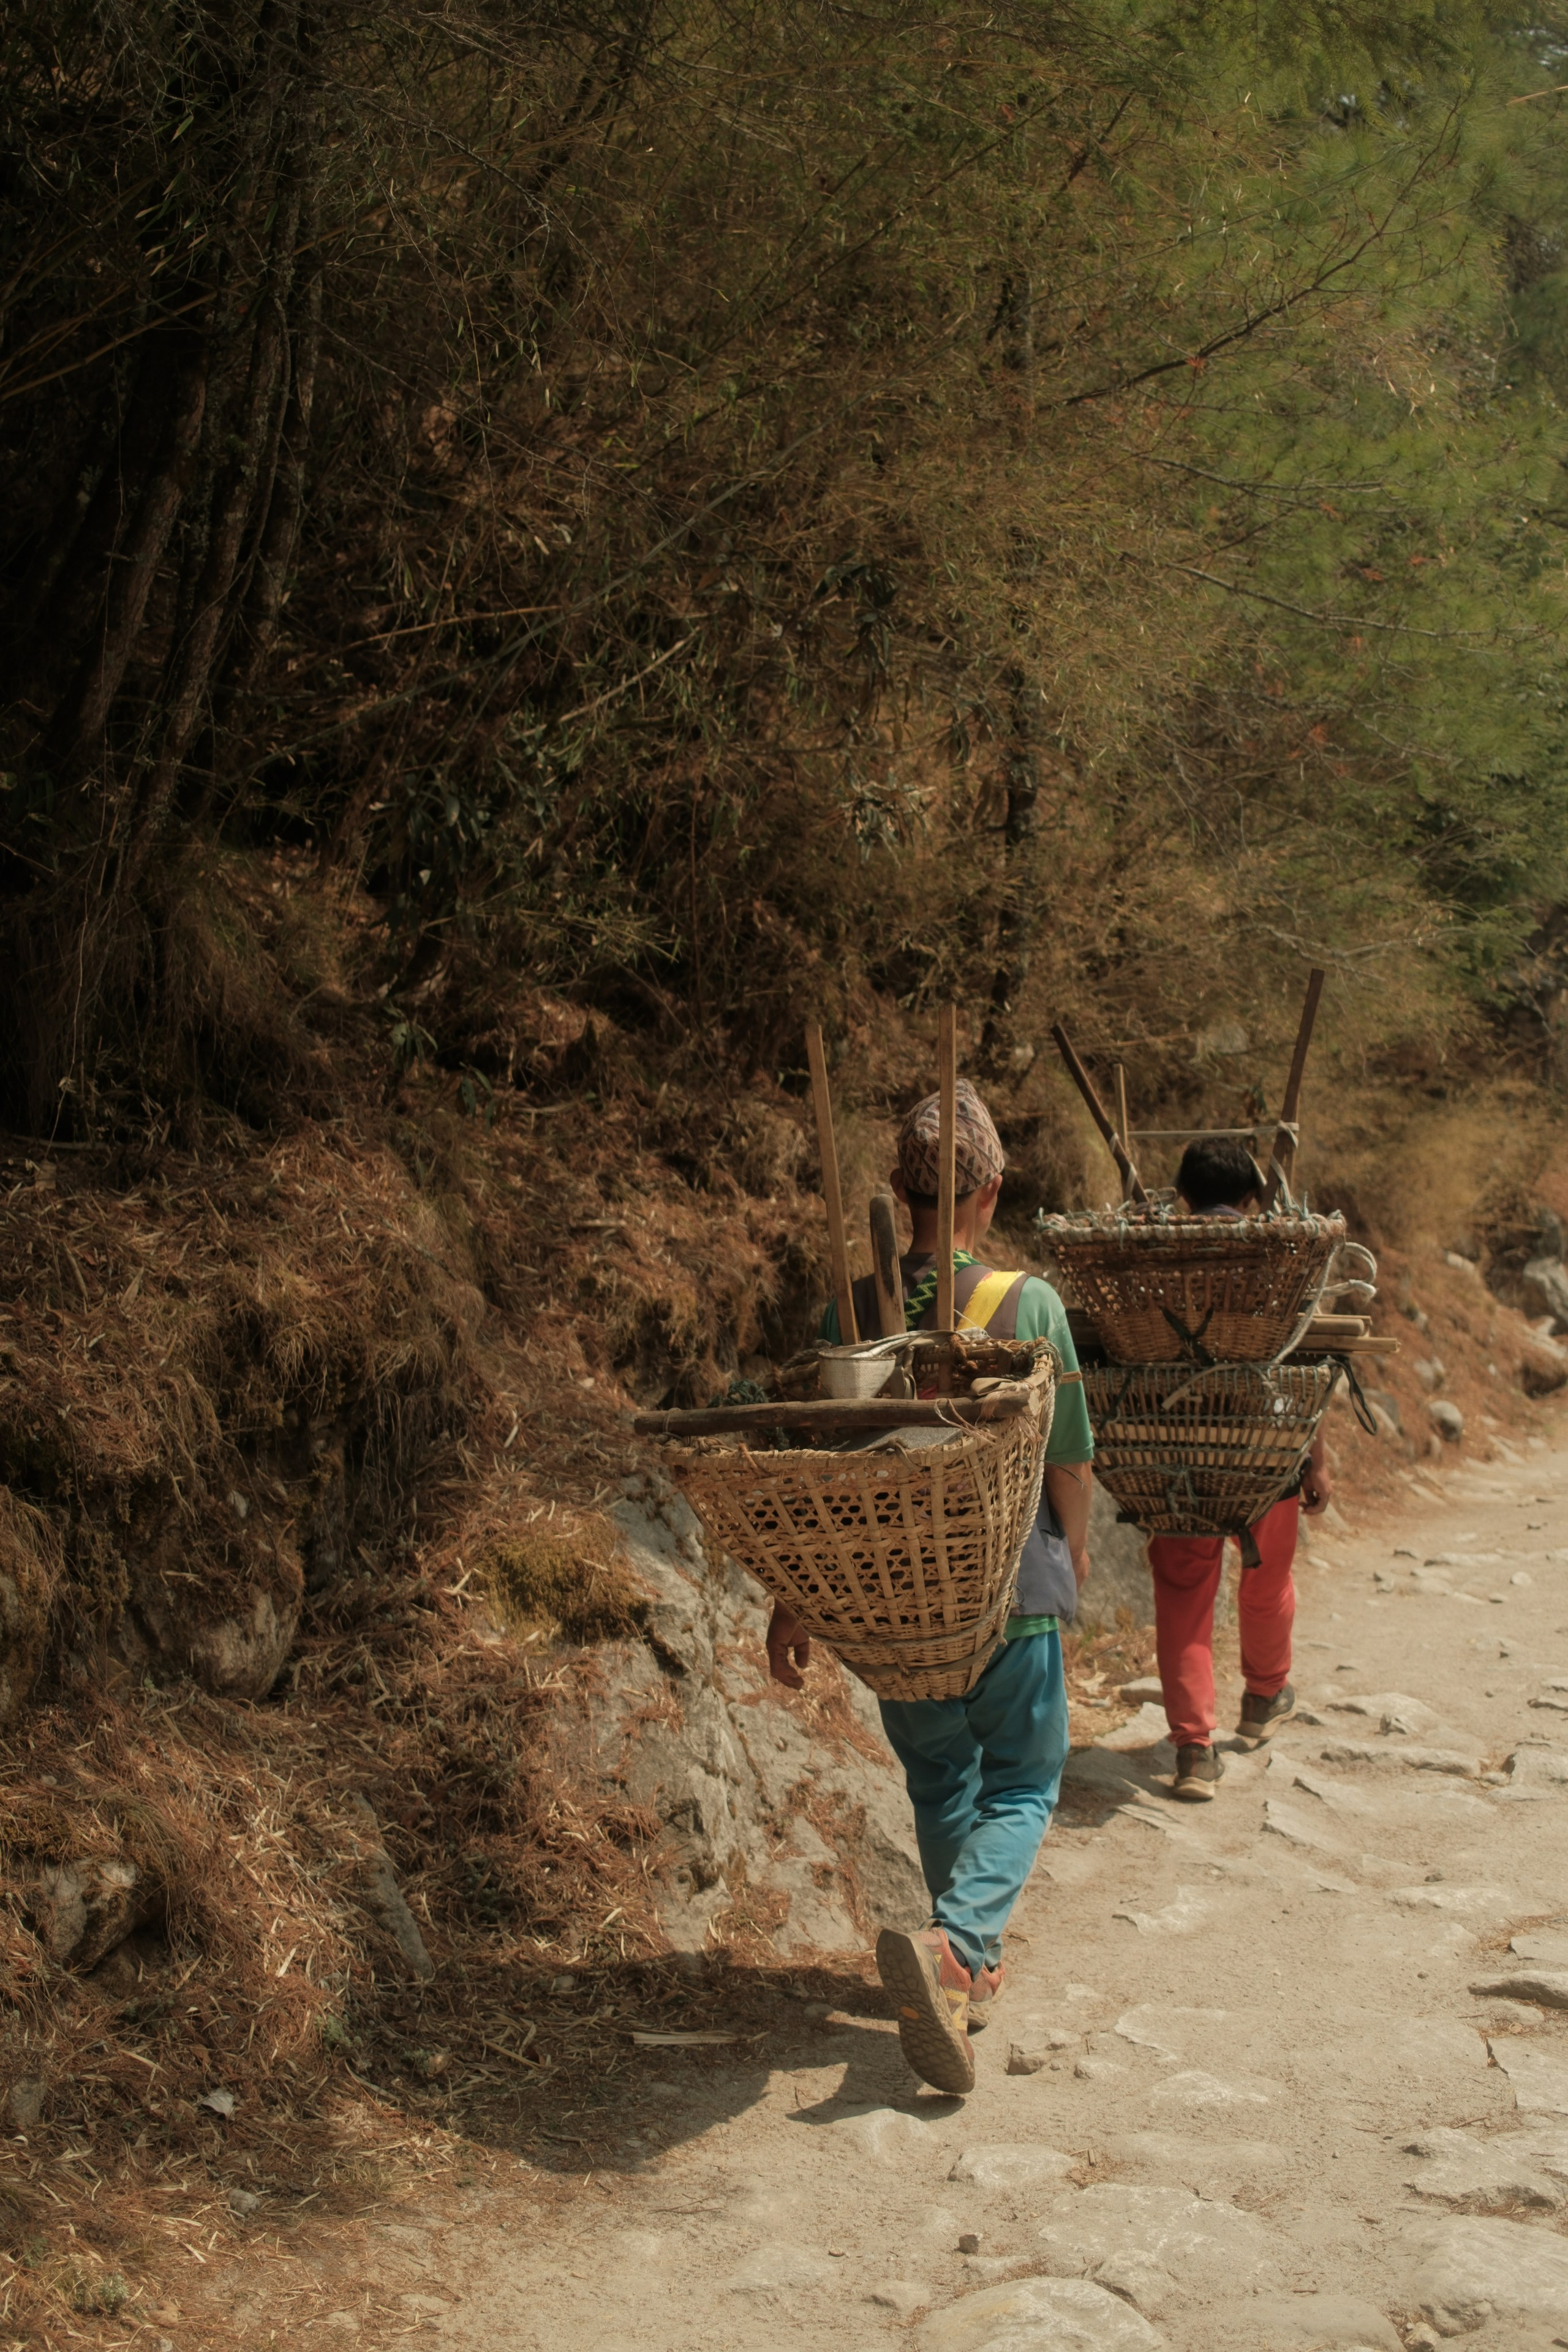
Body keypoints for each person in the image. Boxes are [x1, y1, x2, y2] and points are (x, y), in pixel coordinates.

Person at [764, 1079, 1095, 2095]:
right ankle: (956, 1946)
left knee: (942, 1777)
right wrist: (1070, 1560)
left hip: (891, 1604)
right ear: (987, 1194)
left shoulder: (848, 1313)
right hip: (1005, 1592)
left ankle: (967, 1971)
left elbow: (824, 1474)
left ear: (903, 1196)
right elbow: (1068, 1457)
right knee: (1029, 1779)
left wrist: (795, 1600)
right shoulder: (1027, 1304)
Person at [1147, 1135, 1332, 1803]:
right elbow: (1311, 1365)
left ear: (1181, 1199)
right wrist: (1316, 1457)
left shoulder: (1147, 1263)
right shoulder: (1282, 1258)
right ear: (1253, 1201)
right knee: (1266, 1577)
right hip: (1267, 1453)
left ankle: (1194, 1751)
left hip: (1175, 1457)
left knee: (1184, 1595)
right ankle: (1262, 1695)